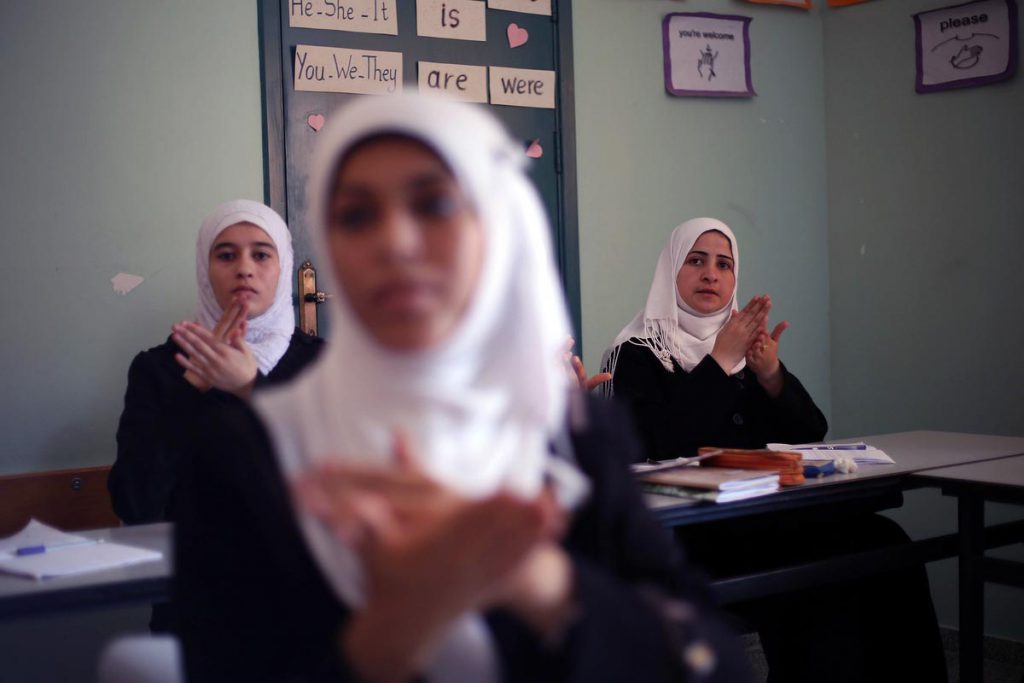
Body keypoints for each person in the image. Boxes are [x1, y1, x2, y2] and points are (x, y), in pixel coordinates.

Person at [172, 95, 751, 683]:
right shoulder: (246, 451)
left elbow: (714, 663)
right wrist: (394, 629)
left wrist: (537, 580)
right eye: (356, 215)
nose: (396, 242)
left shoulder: (567, 435)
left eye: (436, 204)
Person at [604, 219, 946, 682]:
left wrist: (771, 375)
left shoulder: (746, 348)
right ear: (671, 271)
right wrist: (720, 363)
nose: (711, 274)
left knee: (886, 541)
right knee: (825, 579)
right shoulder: (638, 352)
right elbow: (654, 446)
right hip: (698, 533)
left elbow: (811, 433)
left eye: (724, 265)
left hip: (769, 517)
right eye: (696, 260)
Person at [109, 200, 324, 525]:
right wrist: (192, 387)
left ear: (284, 267)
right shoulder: (159, 369)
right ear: (203, 269)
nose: (244, 269)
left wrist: (252, 387)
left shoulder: (320, 363)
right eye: (226, 255)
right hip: (193, 566)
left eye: (262, 255)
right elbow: (134, 506)